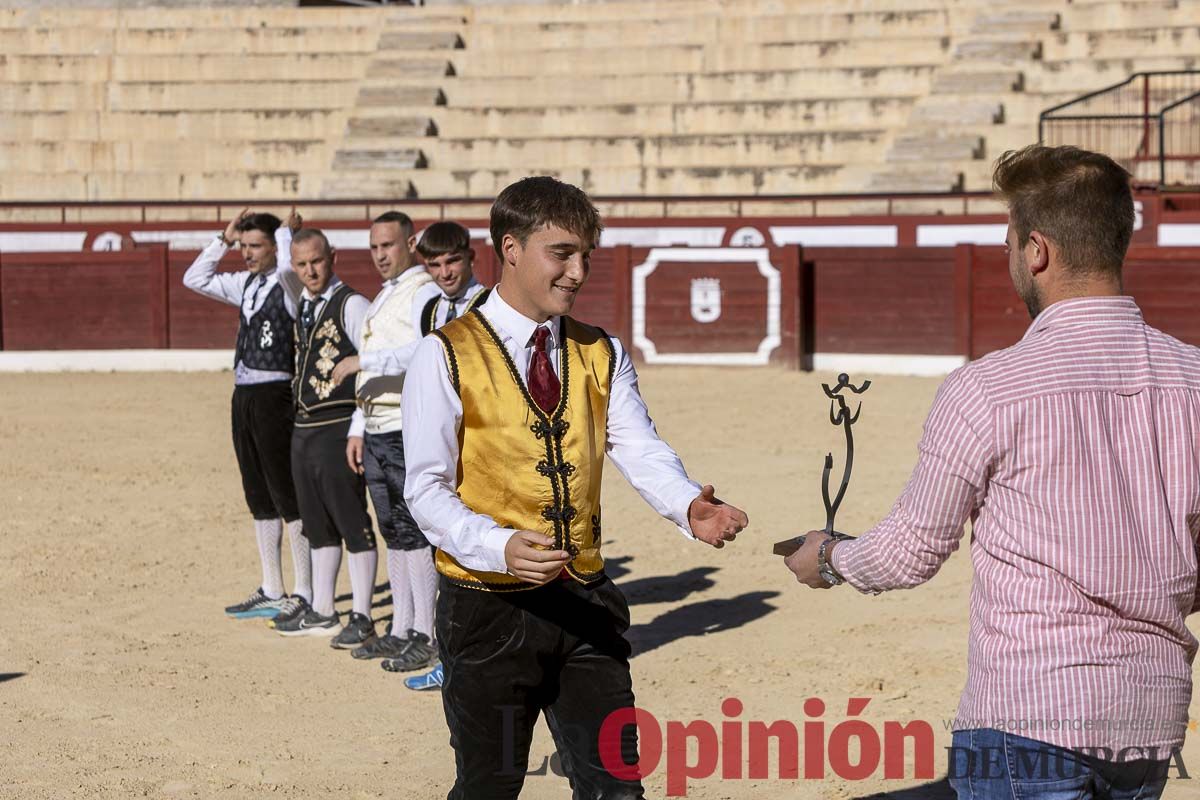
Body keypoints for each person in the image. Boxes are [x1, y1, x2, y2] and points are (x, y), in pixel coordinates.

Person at [785, 144, 1200, 800]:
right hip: (1148, 718)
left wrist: (830, 557)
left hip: (1029, 714)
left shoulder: (989, 388)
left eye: (1010, 242)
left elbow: (911, 553)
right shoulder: (1193, 380)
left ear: (1036, 250)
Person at [402, 176, 750, 798]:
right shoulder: (443, 354)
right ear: (511, 248)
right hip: (488, 607)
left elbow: (636, 445)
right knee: (489, 786)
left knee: (617, 788)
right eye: (561, 252)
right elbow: (425, 489)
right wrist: (496, 544)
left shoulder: (600, 350)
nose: (578, 271)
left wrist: (686, 502)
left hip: (584, 598)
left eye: (586, 254)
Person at [182, 208, 312, 619]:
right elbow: (194, 278)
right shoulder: (245, 284)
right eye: (244, 246)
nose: (248, 254)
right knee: (258, 492)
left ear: (275, 247)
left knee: (285, 491)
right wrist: (223, 238)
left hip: (276, 395)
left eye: (256, 246)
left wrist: (288, 236)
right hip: (244, 394)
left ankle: (304, 591)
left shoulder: (291, 283)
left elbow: (291, 266)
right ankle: (272, 586)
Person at [326, 211, 439, 658]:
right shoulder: (384, 296)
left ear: (411, 245)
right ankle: (402, 624)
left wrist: (365, 364)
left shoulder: (424, 291)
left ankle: (425, 633)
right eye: (374, 248)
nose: (379, 256)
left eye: (387, 246)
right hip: (376, 428)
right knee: (393, 531)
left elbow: (424, 349)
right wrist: (358, 426)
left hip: (405, 429)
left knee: (413, 531)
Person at [270, 228, 376, 638]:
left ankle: (363, 614)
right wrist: (285, 233)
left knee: (351, 519)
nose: (310, 270)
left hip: (337, 425)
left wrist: (360, 426)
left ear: (332, 256)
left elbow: (374, 361)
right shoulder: (304, 301)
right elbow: (283, 274)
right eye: (302, 264)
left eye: (316, 261)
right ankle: (323, 607)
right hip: (305, 425)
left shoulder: (352, 304)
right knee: (316, 521)